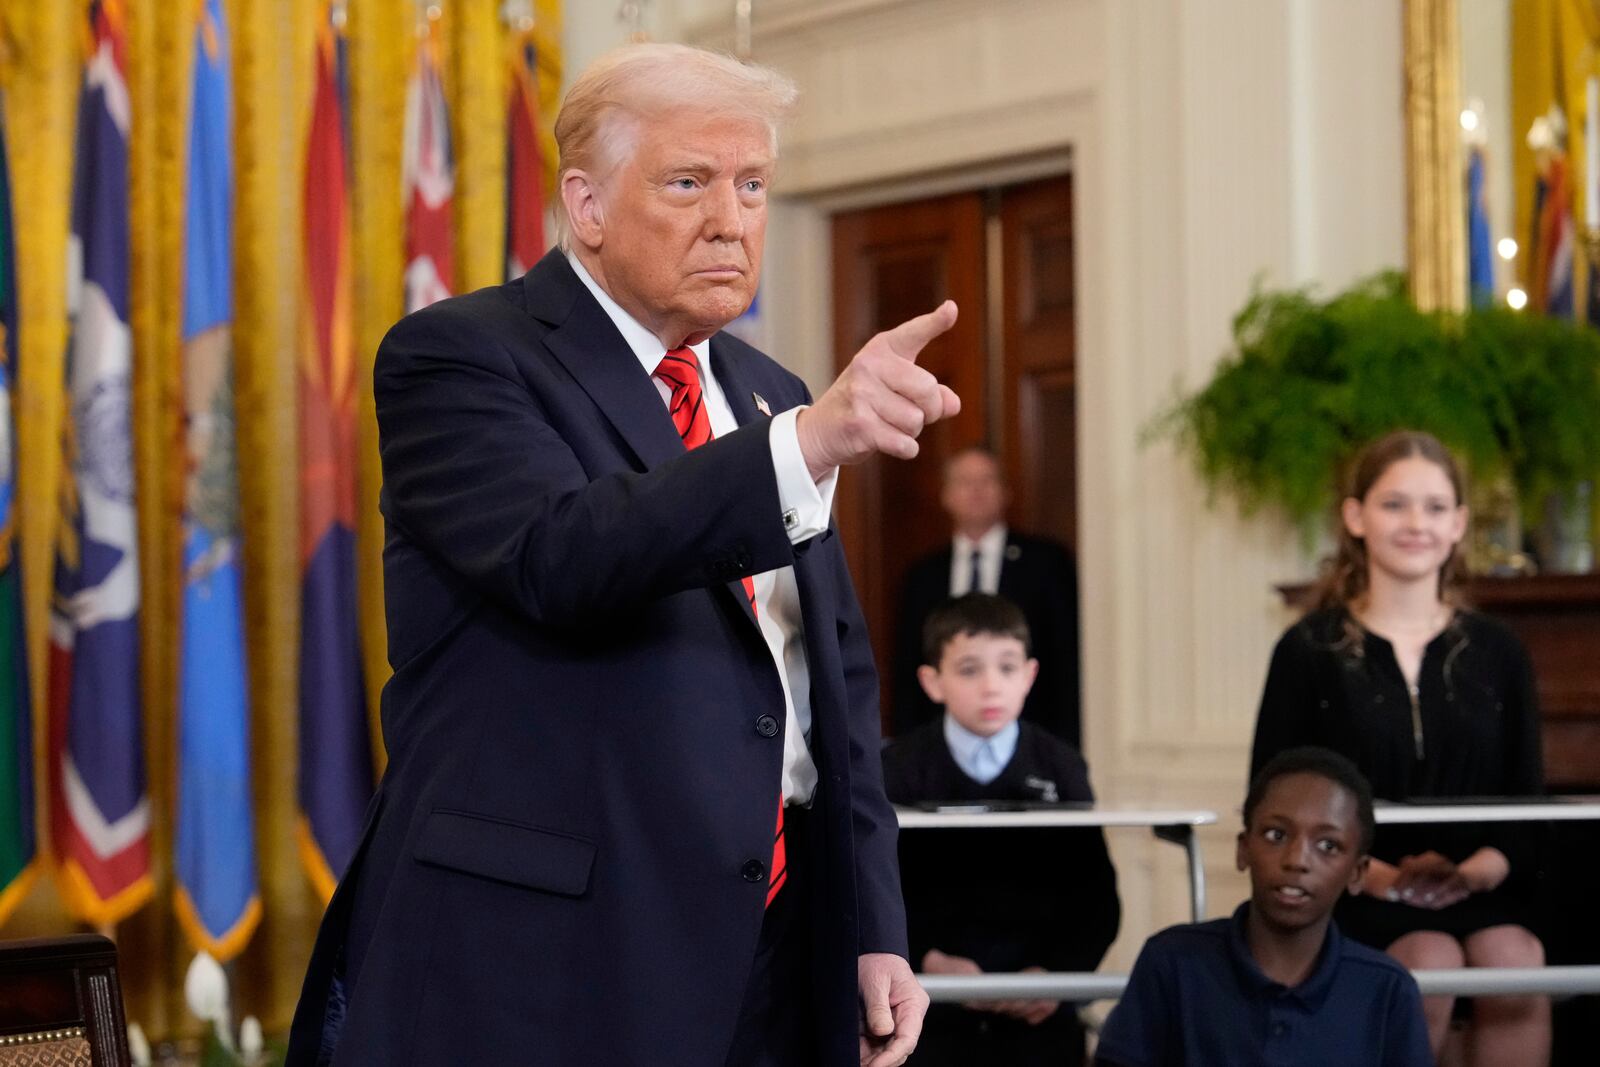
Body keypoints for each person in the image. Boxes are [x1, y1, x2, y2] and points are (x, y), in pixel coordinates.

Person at [287, 43, 965, 1067]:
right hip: (552, 959)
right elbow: (566, 553)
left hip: (778, 951)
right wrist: (809, 446)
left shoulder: (772, 389)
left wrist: (872, 921)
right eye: (688, 182)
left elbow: (832, 681)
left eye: (751, 186)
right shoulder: (461, 356)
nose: (730, 220)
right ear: (587, 205)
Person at [1248, 430, 1548, 1064]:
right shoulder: (1309, 649)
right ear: (1356, 517)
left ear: (1460, 523)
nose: (1417, 523)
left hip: (1482, 884)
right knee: (1426, 958)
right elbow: (1273, 792)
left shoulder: (1499, 652)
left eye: (1436, 508)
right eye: (1395, 505)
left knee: (1516, 958)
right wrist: (1374, 876)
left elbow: (1528, 792)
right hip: (1354, 887)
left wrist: (1480, 869)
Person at [881, 593, 1118, 1066]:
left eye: (1007, 668)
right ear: (933, 681)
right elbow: (879, 886)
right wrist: (926, 958)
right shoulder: (897, 769)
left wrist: (1054, 974)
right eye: (969, 669)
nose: (991, 686)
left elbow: (1095, 897)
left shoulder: (1062, 766)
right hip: (928, 1005)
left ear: (1029, 675)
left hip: (1038, 1012)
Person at [1095, 746, 1433, 1067]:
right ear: (1243, 849)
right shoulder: (1172, 963)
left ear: (1357, 873)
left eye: (1328, 845)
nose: (1297, 860)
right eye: (1275, 835)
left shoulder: (1387, 989)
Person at [892, 447, 1080, 743]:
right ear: (946, 495)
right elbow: (909, 664)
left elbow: (1065, 659)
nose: (976, 491)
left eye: (986, 480)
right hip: (940, 738)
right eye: (965, 482)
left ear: (1005, 491)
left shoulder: (1046, 562)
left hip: (1031, 734)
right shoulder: (923, 575)